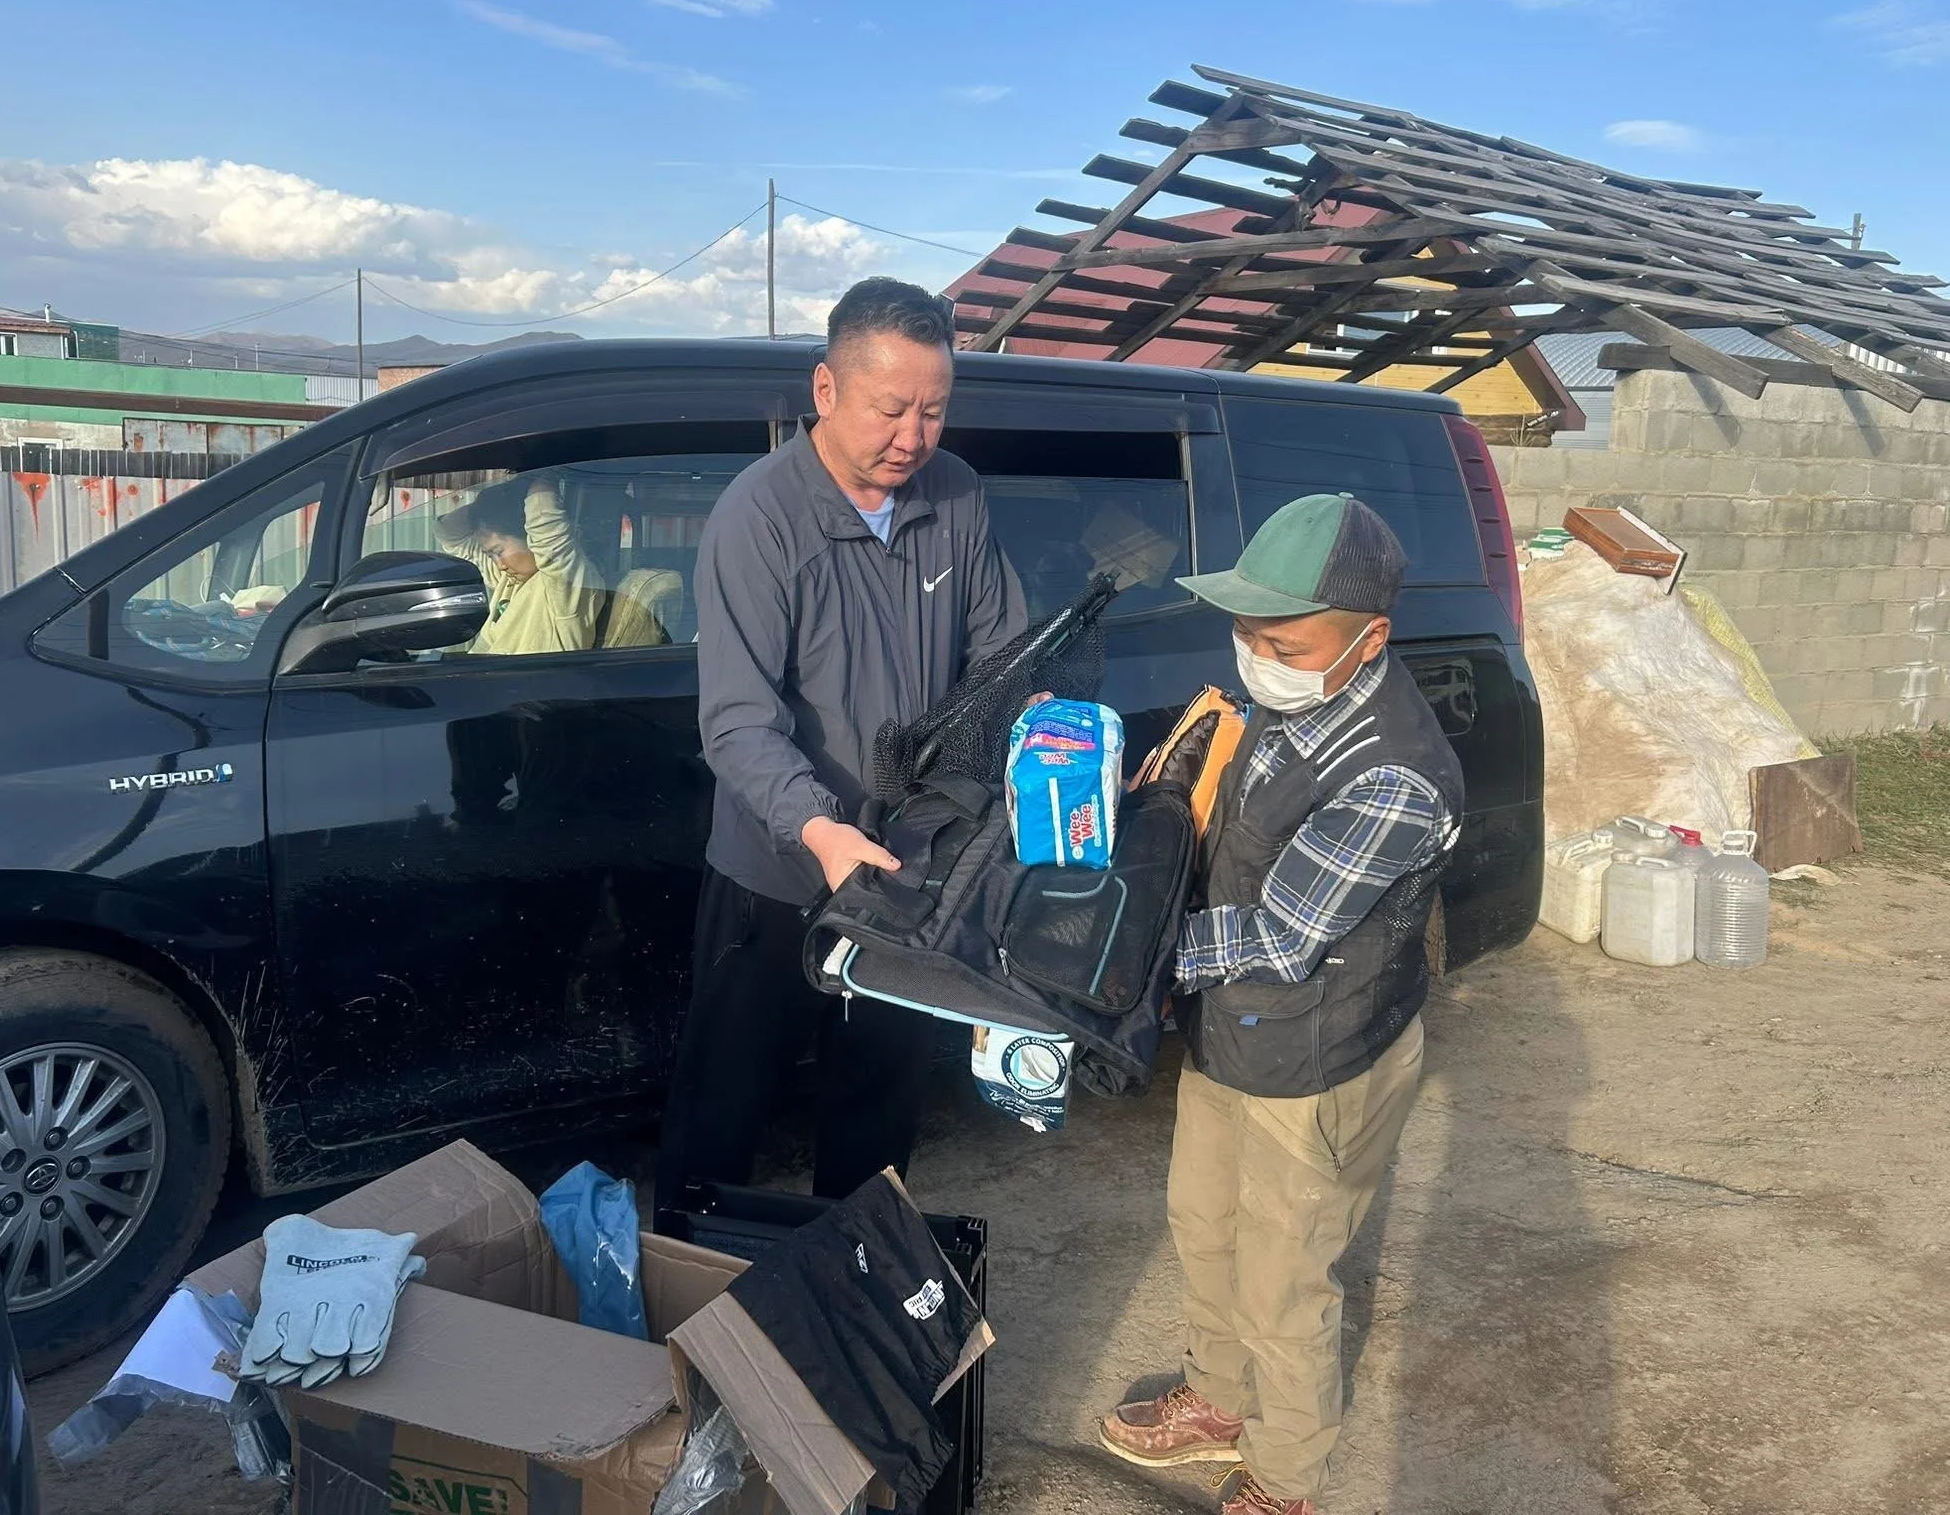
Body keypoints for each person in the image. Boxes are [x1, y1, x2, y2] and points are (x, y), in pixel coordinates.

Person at [1099, 493, 1465, 1515]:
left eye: (1282, 639)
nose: (1257, 654)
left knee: (1284, 1280)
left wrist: (1124, 952)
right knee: (1204, 1222)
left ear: (1369, 639)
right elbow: (1233, 843)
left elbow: (1280, 936)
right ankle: (1218, 1399)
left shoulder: (1393, 773)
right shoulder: (1295, 698)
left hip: (1317, 1061)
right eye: (1246, 633)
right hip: (1236, 1032)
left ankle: (1284, 1476)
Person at [653, 277, 1026, 1221]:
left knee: (879, 1109)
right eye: (891, 408)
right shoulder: (760, 518)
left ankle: (855, 1291)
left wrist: (1044, 724)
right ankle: (684, 1301)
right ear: (826, 391)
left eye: (934, 411)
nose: (913, 436)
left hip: (904, 872)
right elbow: (735, 720)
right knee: (722, 1112)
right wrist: (817, 831)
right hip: (778, 873)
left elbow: (1004, 656)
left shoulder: (957, 495)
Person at [435, 475, 608, 656]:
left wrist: (542, 475)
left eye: (499, 551)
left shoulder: (565, 583)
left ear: (530, 537)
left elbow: (546, 528)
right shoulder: (509, 580)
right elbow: (447, 532)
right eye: (490, 555)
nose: (499, 565)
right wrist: (488, 507)